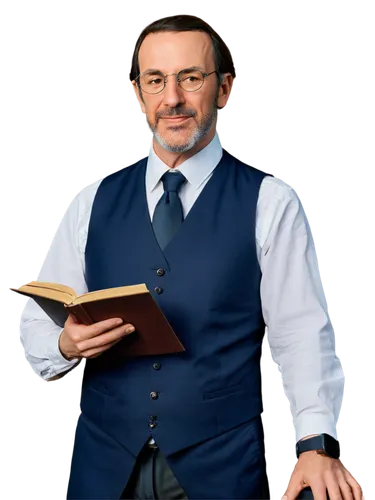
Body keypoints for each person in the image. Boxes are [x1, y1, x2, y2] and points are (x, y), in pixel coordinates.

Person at [18, 13, 363, 500]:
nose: (172, 99)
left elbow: (302, 332)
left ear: (225, 89)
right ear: (136, 93)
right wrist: (65, 346)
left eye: (191, 78)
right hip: (103, 464)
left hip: (222, 466)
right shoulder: (90, 201)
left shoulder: (270, 201)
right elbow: (35, 321)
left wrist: (315, 445)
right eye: (156, 81)